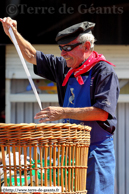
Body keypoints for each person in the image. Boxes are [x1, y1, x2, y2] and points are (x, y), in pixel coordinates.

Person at [0, 17, 120, 194]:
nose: (63, 54)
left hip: (97, 151)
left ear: (86, 46)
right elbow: (32, 55)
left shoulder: (104, 72)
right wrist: (13, 33)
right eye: (61, 49)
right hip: (71, 150)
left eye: (68, 48)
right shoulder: (64, 67)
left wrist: (62, 112)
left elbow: (102, 113)